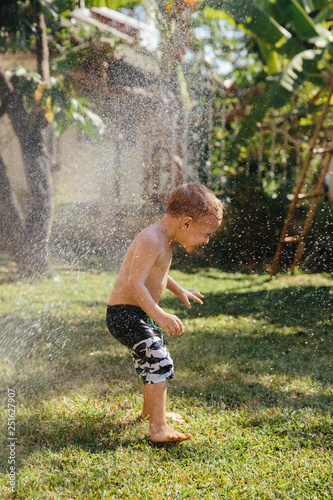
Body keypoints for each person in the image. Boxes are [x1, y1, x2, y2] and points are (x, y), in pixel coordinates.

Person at [106, 182, 223, 443]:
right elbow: (134, 283)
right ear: (186, 223)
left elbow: (159, 273)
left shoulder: (165, 238)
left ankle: (152, 413)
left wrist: (179, 290)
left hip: (138, 314)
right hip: (124, 314)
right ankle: (158, 428)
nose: (206, 240)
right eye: (206, 234)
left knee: (148, 361)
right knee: (159, 359)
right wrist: (159, 314)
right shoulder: (151, 239)